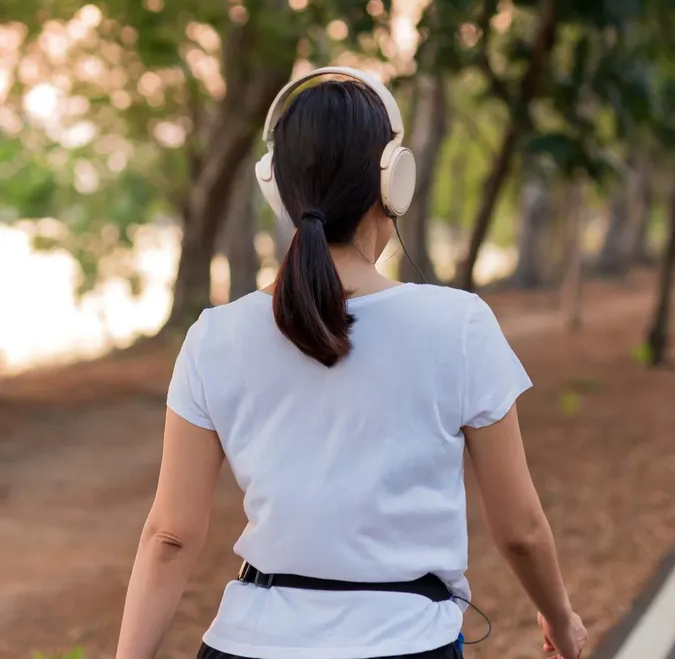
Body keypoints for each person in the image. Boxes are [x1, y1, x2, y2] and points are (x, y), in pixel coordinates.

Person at [116, 68, 587, 659]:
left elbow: (169, 536)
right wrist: (560, 620)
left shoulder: (216, 336)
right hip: (405, 645)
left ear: (276, 186)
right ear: (395, 182)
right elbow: (518, 531)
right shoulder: (459, 326)